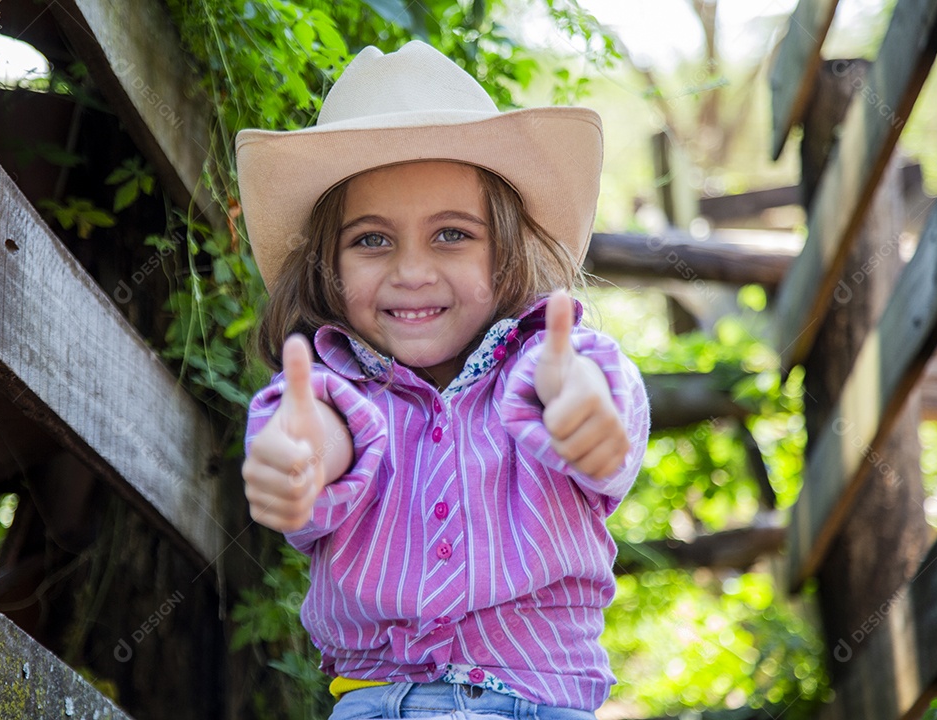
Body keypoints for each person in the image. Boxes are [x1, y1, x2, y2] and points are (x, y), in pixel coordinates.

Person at [238, 40, 649, 720]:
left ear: (507, 249)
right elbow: (324, 430)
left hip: (540, 702)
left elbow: (591, 388)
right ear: (327, 268)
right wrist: (299, 456)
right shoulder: (335, 381)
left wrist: (586, 410)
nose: (411, 271)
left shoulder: (548, 358)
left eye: (452, 235)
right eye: (371, 239)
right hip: (378, 706)